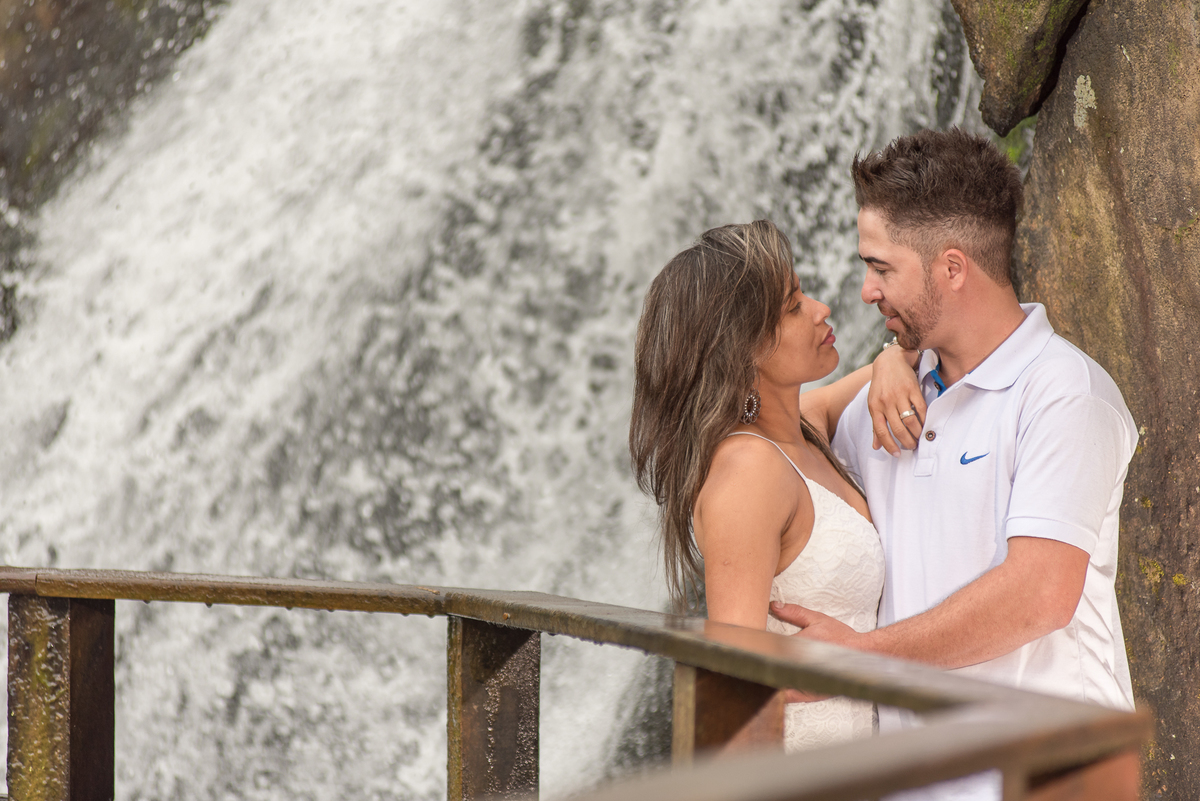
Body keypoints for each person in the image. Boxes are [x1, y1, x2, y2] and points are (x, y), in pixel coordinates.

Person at [771, 128, 1139, 798]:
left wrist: (855, 660)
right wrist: (882, 363)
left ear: (951, 267)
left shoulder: (1064, 392)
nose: (864, 291)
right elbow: (776, 430)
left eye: (881, 268)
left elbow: (1039, 593)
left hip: (1042, 779)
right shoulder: (886, 406)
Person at [630, 219, 900, 751]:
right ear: (744, 348)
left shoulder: (802, 428)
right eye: (794, 305)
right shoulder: (748, 473)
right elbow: (733, 688)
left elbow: (883, 366)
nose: (822, 309)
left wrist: (890, 360)